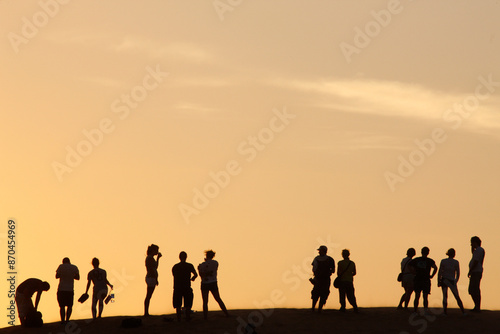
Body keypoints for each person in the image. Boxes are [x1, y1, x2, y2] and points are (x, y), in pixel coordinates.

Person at [198, 249, 229, 319]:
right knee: (218, 298)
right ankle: (226, 313)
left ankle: (205, 317)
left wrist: (200, 268)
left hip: (205, 283)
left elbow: (201, 275)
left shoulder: (202, 265)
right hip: (213, 282)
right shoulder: (215, 263)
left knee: (205, 301)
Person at [408, 247, 437, 314]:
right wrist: (432, 275)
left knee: (417, 296)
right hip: (426, 279)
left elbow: (409, 265)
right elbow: (435, 268)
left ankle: (415, 310)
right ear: (428, 253)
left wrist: (413, 272)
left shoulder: (417, 260)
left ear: (421, 252)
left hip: (418, 279)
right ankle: (425, 311)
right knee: (425, 297)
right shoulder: (430, 261)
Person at [438, 248, 465, 315]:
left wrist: (438, 281)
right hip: (451, 280)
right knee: (456, 296)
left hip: (444, 280)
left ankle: (445, 312)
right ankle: (463, 312)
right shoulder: (456, 262)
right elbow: (458, 273)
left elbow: (440, 272)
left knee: (445, 296)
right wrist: (456, 281)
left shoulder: (443, 261)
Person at [172, 251, 198, 321]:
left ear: (179, 257)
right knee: (188, 304)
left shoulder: (175, 267)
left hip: (177, 287)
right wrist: (193, 278)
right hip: (186, 286)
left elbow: (174, 275)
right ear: (186, 257)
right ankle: (187, 317)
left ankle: (179, 318)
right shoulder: (189, 266)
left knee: (178, 305)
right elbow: (195, 274)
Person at [310, 245, 335, 312]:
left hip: (318, 279)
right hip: (326, 279)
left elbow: (313, 269)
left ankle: (313, 308)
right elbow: (333, 270)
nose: (319, 252)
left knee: (316, 293)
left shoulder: (316, 259)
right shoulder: (330, 259)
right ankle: (319, 309)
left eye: (320, 250)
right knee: (323, 293)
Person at [55, 257, 80, 323]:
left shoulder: (61, 266)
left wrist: (63, 275)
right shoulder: (74, 267)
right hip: (70, 289)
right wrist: (71, 275)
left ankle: (62, 320)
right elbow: (78, 277)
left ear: (63, 262)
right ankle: (67, 319)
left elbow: (56, 276)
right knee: (69, 306)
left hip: (61, 289)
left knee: (62, 306)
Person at [144, 244, 162, 316]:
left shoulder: (150, 258)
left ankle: (146, 312)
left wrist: (158, 259)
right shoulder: (150, 258)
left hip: (152, 278)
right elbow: (153, 269)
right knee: (148, 295)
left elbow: (155, 267)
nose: (157, 252)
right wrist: (155, 278)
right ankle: (146, 312)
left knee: (149, 295)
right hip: (151, 278)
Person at [468, 236, 485, 312]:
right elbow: (473, 254)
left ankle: (477, 306)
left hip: (476, 271)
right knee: (472, 289)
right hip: (476, 271)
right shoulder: (477, 250)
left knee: (474, 289)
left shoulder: (479, 250)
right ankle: (476, 306)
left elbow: (476, 261)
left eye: (472, 243)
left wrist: (471, 270)